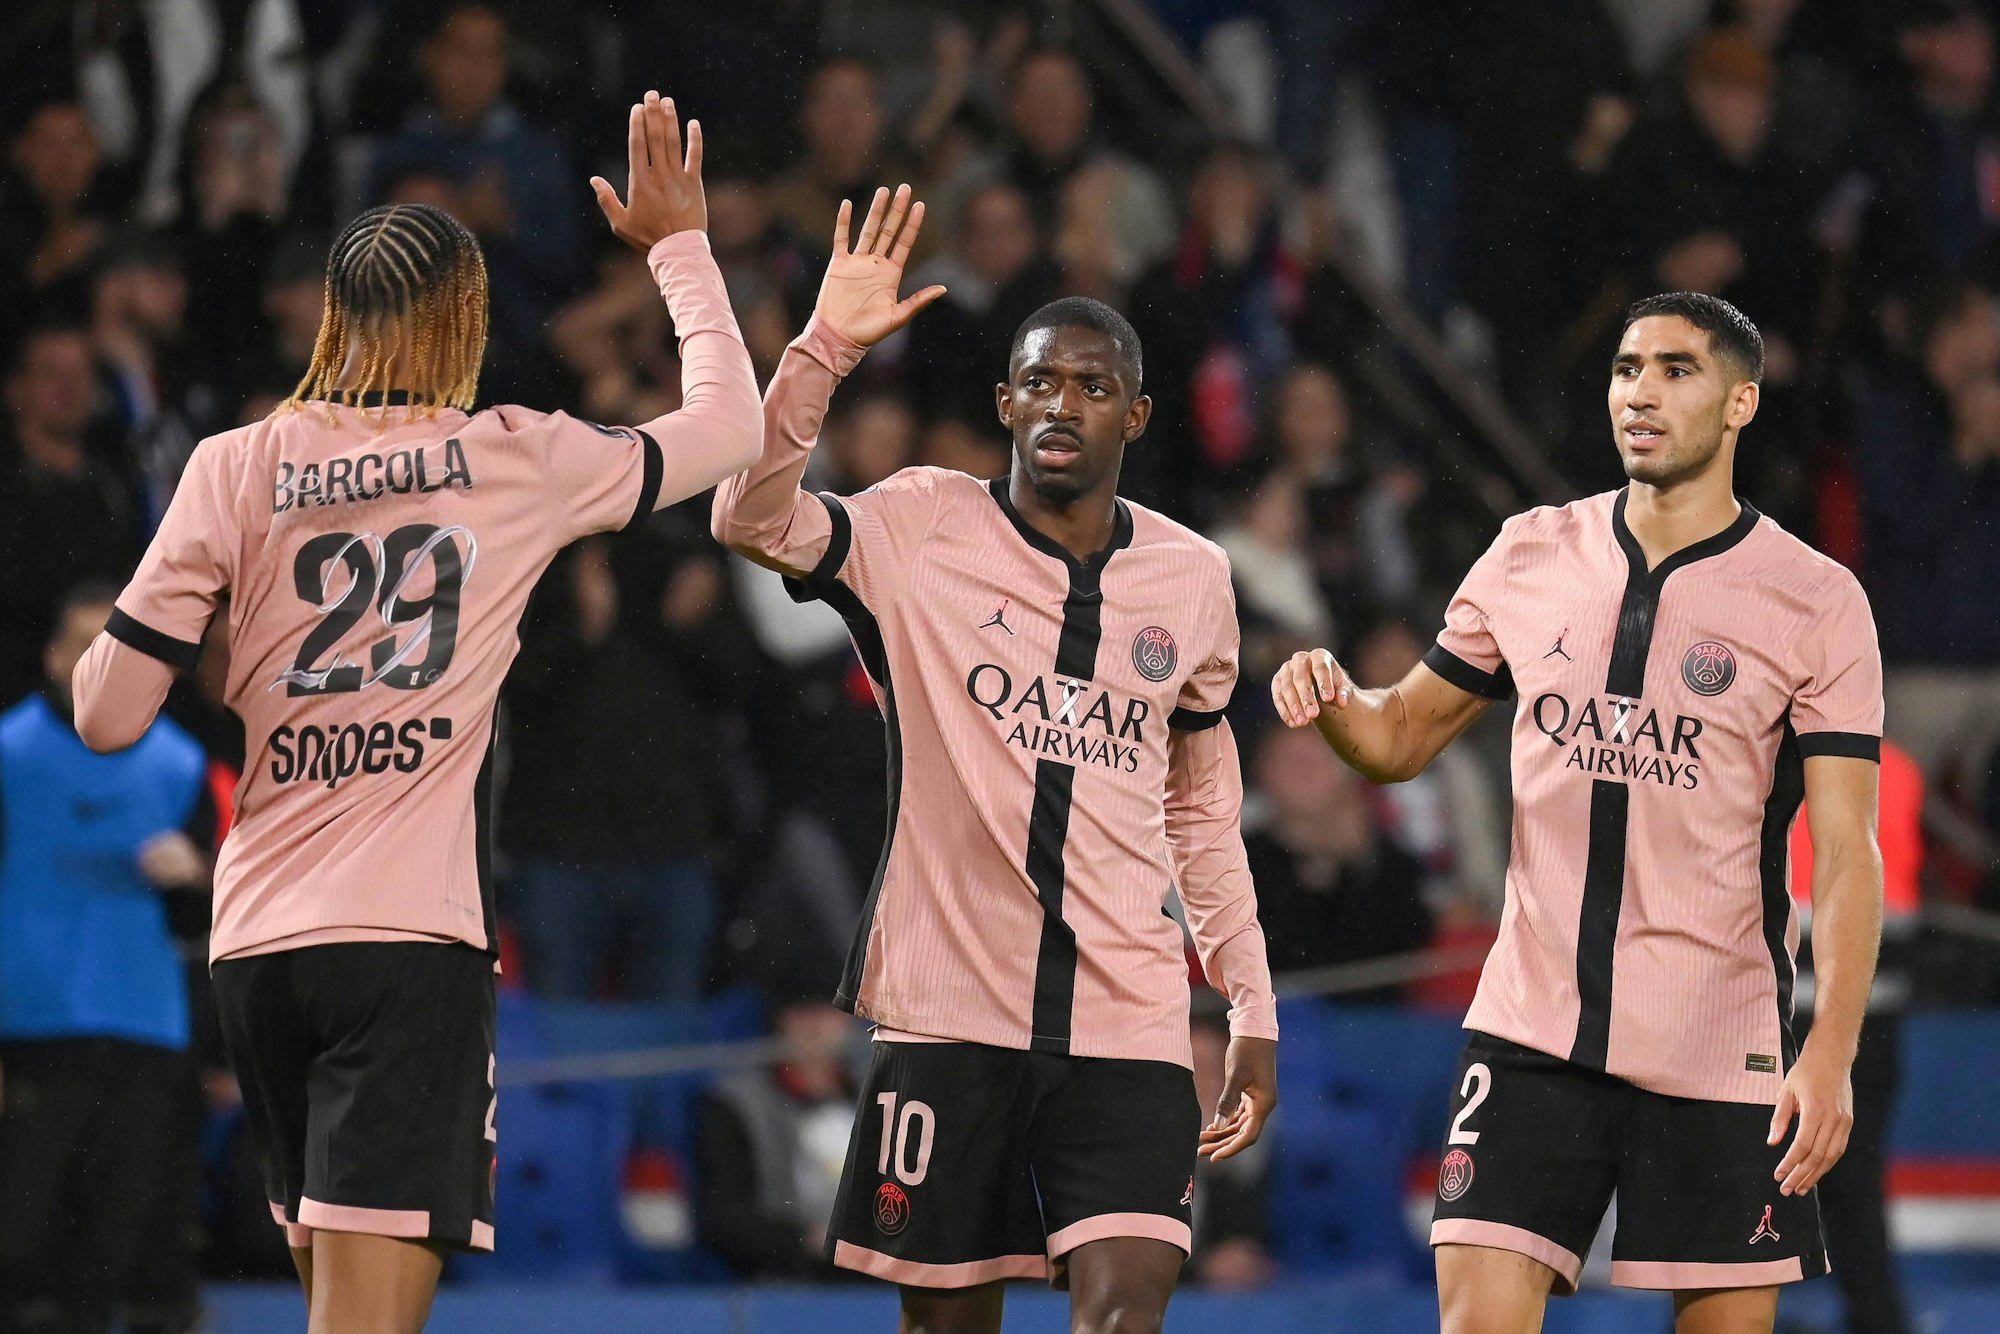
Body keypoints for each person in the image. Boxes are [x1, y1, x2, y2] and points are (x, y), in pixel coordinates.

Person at [70, 92, 762, 1333]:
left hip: (260, 947)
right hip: (405, 946)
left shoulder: (237, 463)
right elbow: (728, 429)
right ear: (465, 320)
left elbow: (108, 713)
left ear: (334, 316)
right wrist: (678, 250)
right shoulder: (514, 453)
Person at [713, 185, 1279, 1334]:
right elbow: (749, 517)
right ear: (1003, 402)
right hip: (948, 1012)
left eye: (1092, 384)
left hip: (1128, 1014)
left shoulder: (1193, 581)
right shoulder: (921, 524)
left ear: (1138, 414)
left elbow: (1202, 816)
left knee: (1124, 1313)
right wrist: (822, 347)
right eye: (1038, 381)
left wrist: (1249, 1001)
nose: (1061, 403)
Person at [1272, 292, 1884, 1333]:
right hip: (1528, 1032)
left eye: (1673, 370)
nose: (1638, 391)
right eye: (1623, 367)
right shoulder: (1528, 551)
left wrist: (1826, 1050)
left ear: (1740, 401)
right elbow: (1397, 738)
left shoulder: (1813, 599)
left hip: (1714, 1044)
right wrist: (1336, 702)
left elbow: (1843, 852)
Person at [0, 583, 215, 1334]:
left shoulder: (182, 766)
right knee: (18, 1236)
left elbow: (207, 914)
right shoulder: (9, 754)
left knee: (117, 1235)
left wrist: (198, 872)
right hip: (31, 1023)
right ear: (54, 656)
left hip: (143, 1022)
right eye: (86, 645)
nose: (100, 662)